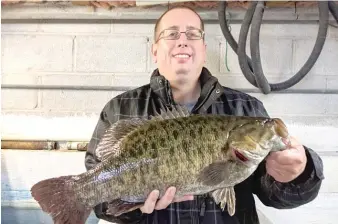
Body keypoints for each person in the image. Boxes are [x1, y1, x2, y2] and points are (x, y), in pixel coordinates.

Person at [84, 5, 324, 224]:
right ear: (155, 50)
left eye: (192, 34)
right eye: (171, 34)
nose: (182, 41)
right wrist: (135, 206)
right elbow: (100, 201)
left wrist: (298, 173)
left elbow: (276, 195)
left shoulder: (245, 108)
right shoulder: (120, 109)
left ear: (204, 49)